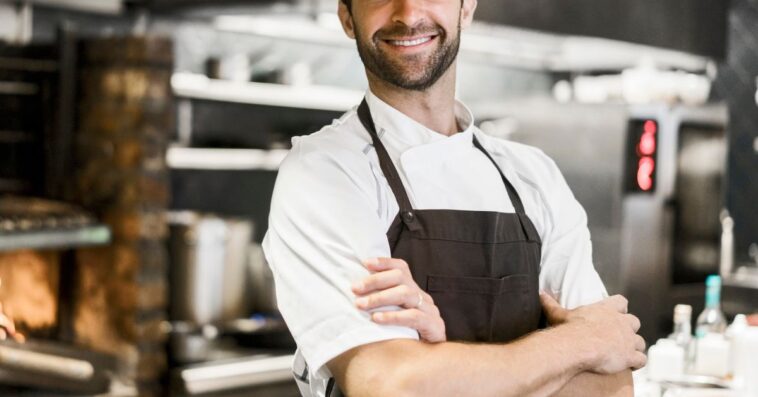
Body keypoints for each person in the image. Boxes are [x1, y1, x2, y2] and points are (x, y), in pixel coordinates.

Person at [262, 0, 646, 396]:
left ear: (466, 8)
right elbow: (388, 385)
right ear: (346, 16)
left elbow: (610, 385)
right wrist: (579, 344)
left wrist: (440, 365)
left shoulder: (534, 176)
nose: (408, 15)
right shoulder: (325, 172)